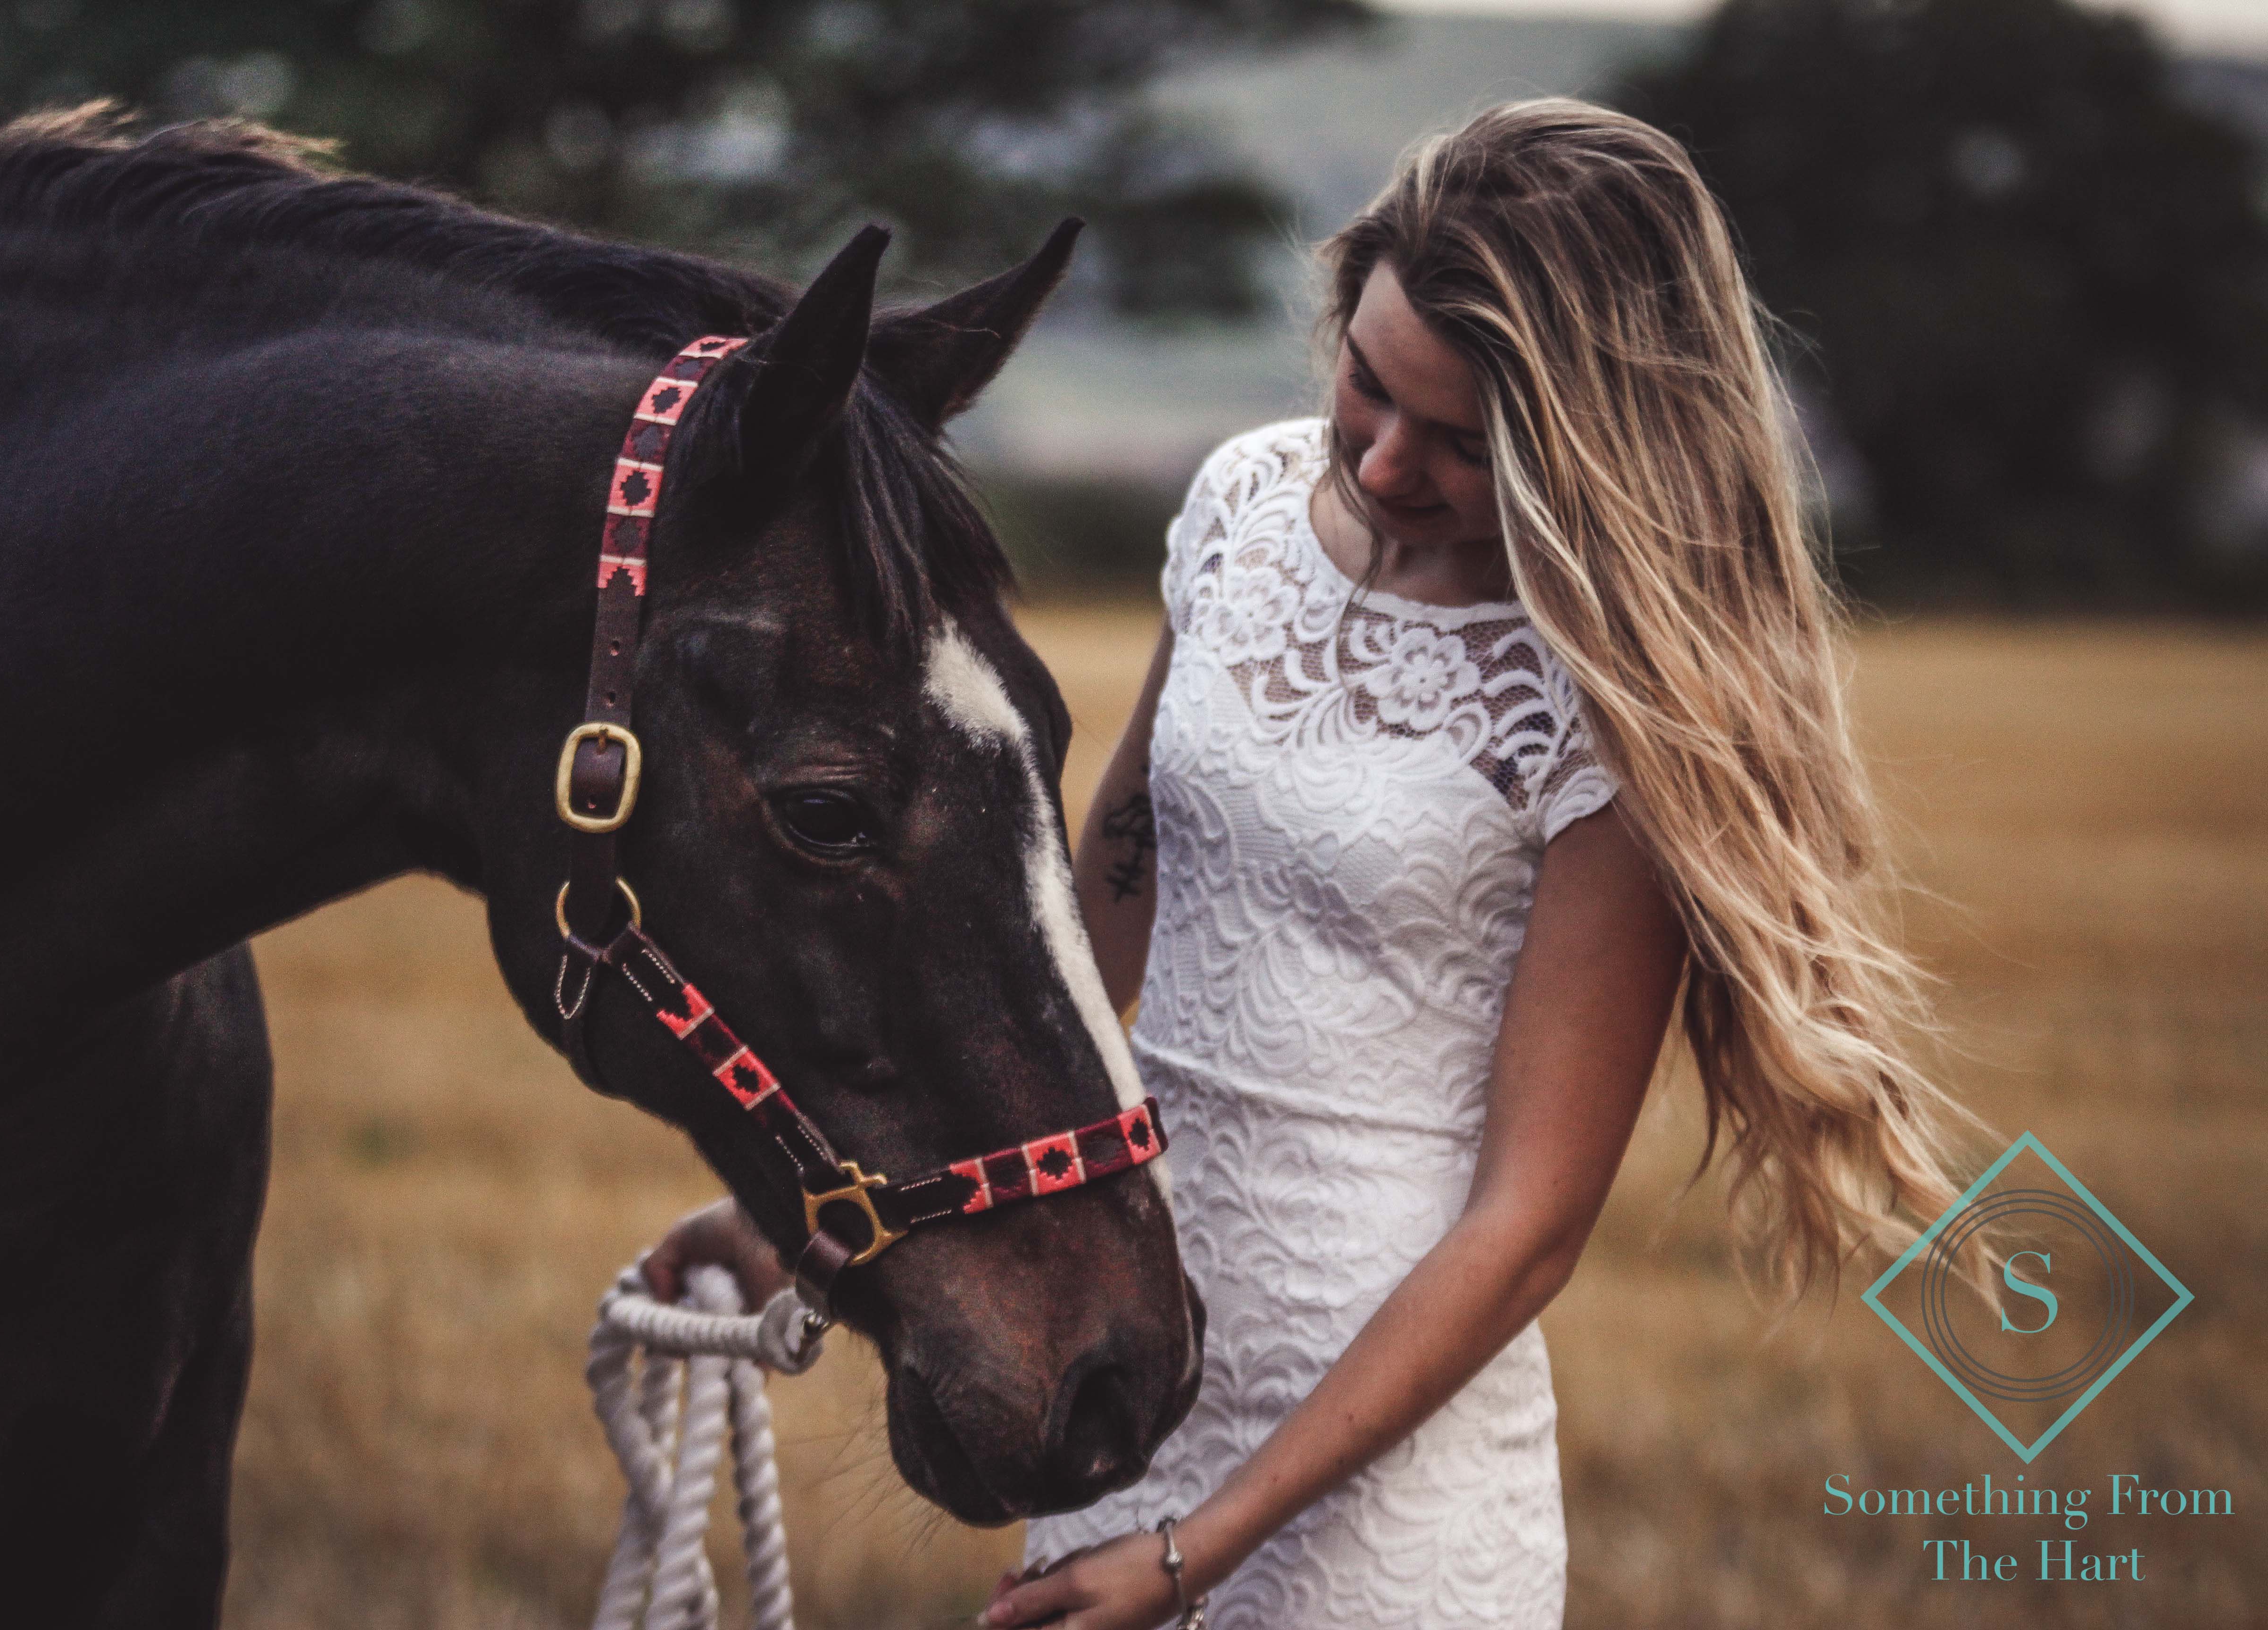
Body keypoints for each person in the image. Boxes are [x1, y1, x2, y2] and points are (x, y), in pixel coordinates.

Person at [647, 97, 1987, 1630]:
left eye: (1465, 443)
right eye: (1368, 382)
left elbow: (1527, 1230)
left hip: (1384, 1471)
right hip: (1129, 1352)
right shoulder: (1241, 505)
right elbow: (1100, 910)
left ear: (1585, 445)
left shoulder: (1620, 699)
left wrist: (1198, 1551)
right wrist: (825, 1220)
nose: (1387, 461)